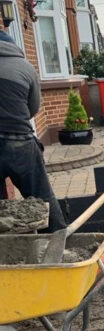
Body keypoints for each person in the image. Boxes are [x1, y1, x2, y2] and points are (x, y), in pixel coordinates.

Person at [0, 30, 67, 231]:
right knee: (42, 197)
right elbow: (33, 108)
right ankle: (59, 240)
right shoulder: (25, 67)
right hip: (20, 143)